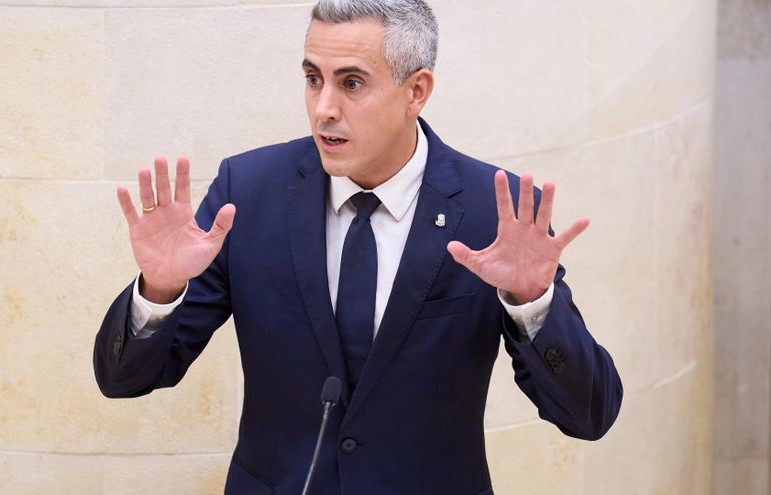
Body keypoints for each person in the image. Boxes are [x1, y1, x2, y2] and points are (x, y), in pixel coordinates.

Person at [93, 1, 623, 494]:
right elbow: (125, 381)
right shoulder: (247, 194)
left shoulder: (492, 212)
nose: (324, 108)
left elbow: (589, 415)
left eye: (351, 83)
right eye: (312, 79)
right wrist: (160, 290)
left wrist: (533, 303)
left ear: (416, 91)